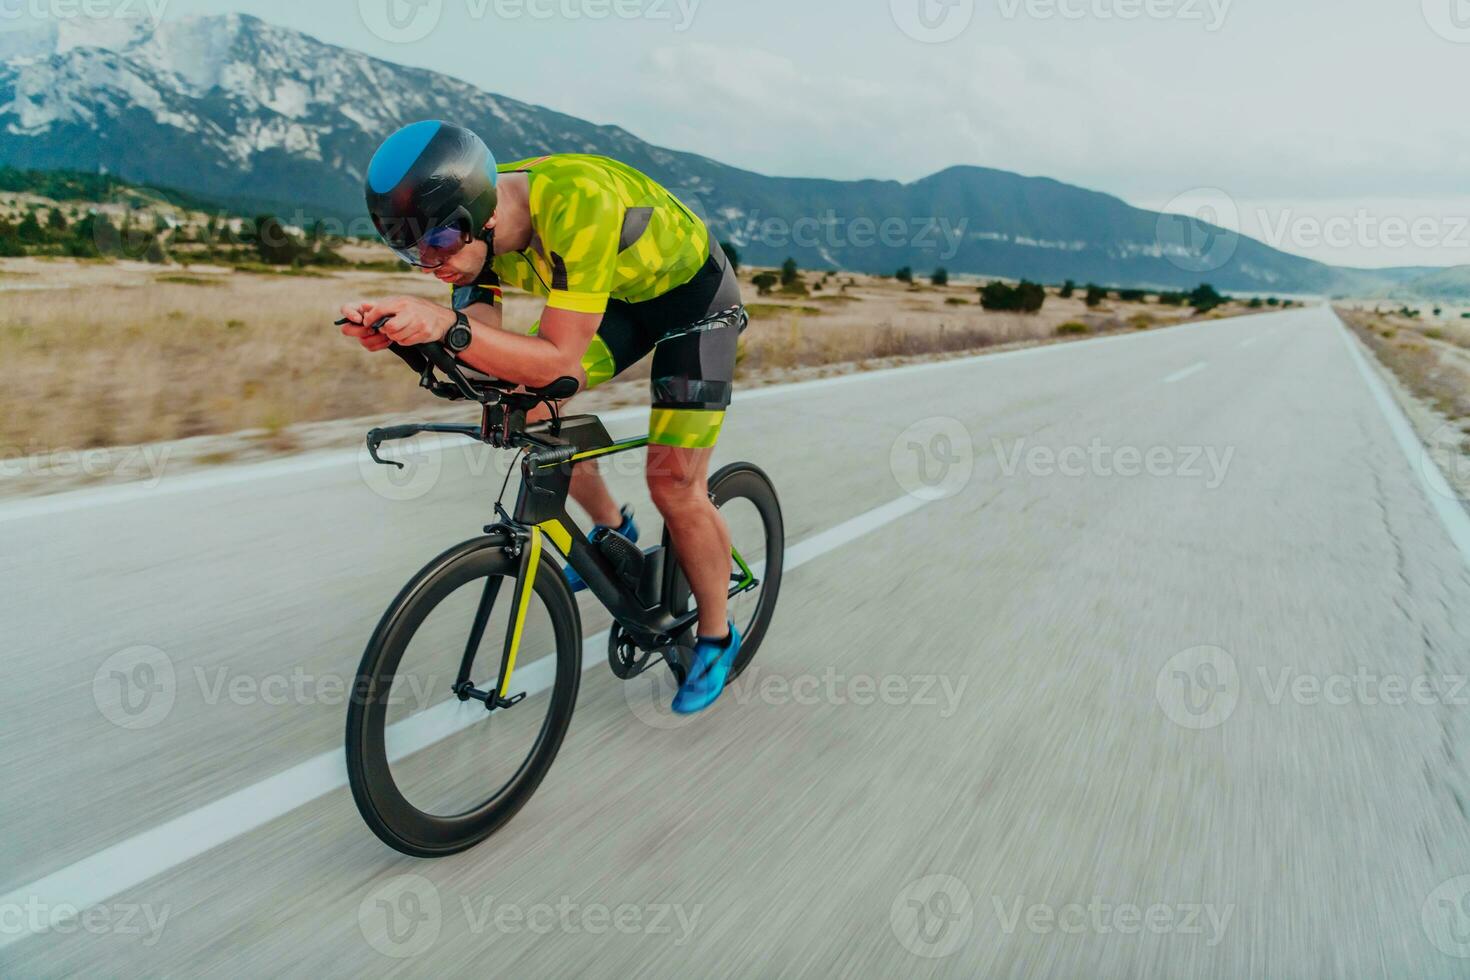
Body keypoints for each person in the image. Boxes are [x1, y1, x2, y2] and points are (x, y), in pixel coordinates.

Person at [339, 120, 744, 714]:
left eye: (440, 243)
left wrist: (443, 325)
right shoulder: (464, 232)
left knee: (675, 484)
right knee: (524, 406)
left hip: (695, 307)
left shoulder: (578, 203)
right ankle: (614, 529)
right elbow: (480, 353)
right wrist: (406, 337)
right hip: (622, 304)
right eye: (412, 251)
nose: (431, 264)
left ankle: (715, 635)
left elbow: (555, 357)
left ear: (483, 216)